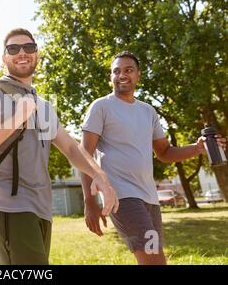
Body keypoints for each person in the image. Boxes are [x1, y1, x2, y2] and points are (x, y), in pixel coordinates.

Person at [0, 28, 119, 265]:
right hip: (8, 205)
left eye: (29, 47)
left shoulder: (43, 105)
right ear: (4, 58)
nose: (22, 53)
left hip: (43, 209)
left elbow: (72, 148)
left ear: (37, 54)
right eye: (13, 49)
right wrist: (16, 119)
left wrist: (100, 177)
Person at [81, 51, 226, 265]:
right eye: (116, 71)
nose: (122, 75)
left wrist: (198, 148)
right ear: (111, 77)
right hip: (120, 195)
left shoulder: (148, 111)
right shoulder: (101, 107)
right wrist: (89, 201)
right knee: (154, 261)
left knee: (153, 260)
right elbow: (84, 154)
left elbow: (165, 153)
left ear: (138, 75)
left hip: (149, 198)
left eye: (128, 70)